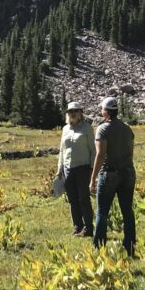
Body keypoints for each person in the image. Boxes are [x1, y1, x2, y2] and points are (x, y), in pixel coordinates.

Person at [89, 96, 136, 255]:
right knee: (127, 211)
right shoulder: (127, 128)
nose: (101, 111)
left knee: (102, 211)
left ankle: (99, 248)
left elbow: (100, 155)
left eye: (102, 109)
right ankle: (130, 247)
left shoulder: (102, 129)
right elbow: (131, 152)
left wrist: (93, 178)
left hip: (109, 173)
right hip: (128, 172)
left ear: (106, 112)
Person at [57, 101, 95, 236]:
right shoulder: (65, 129)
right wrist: (59, 169)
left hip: (83, 168)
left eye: (75, 111)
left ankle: (88, 227)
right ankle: (78, 226)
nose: (72, 114)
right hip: (68, 169)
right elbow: (62, 150)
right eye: (70, 112)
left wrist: (92, 169)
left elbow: (93, 150)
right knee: (72, 199)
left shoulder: (87, 128)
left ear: (80, 113)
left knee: (84, 198)